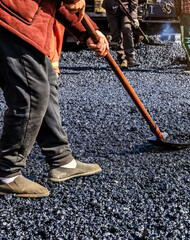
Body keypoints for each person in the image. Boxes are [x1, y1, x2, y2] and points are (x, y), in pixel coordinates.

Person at [0, 0, 109, 198]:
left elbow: (56, 3)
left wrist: (87, 32)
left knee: (47, 84)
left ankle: (61, 160)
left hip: (26, 16)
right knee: (32, 94)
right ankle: (6, 173)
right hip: (12, 16)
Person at [102, 0, 139, 68]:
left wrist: (134, 17)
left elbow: (134, 2)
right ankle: (122, 60)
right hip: (111, 9)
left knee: (126, 28)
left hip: (125, 10)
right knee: (116, 34)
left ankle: (130, 58)